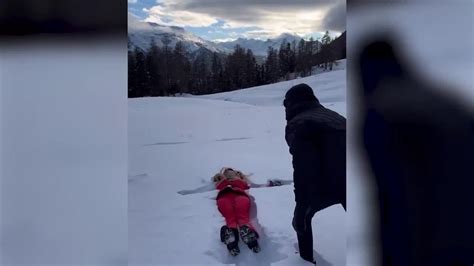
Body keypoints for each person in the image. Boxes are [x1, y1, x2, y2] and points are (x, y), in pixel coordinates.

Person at [284, 83, 346, 264]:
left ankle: (305, 262)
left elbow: (304, 167)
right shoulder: (336, 117)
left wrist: (301, 205)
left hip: (327, 185)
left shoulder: (299, 124)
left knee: (301, 222)